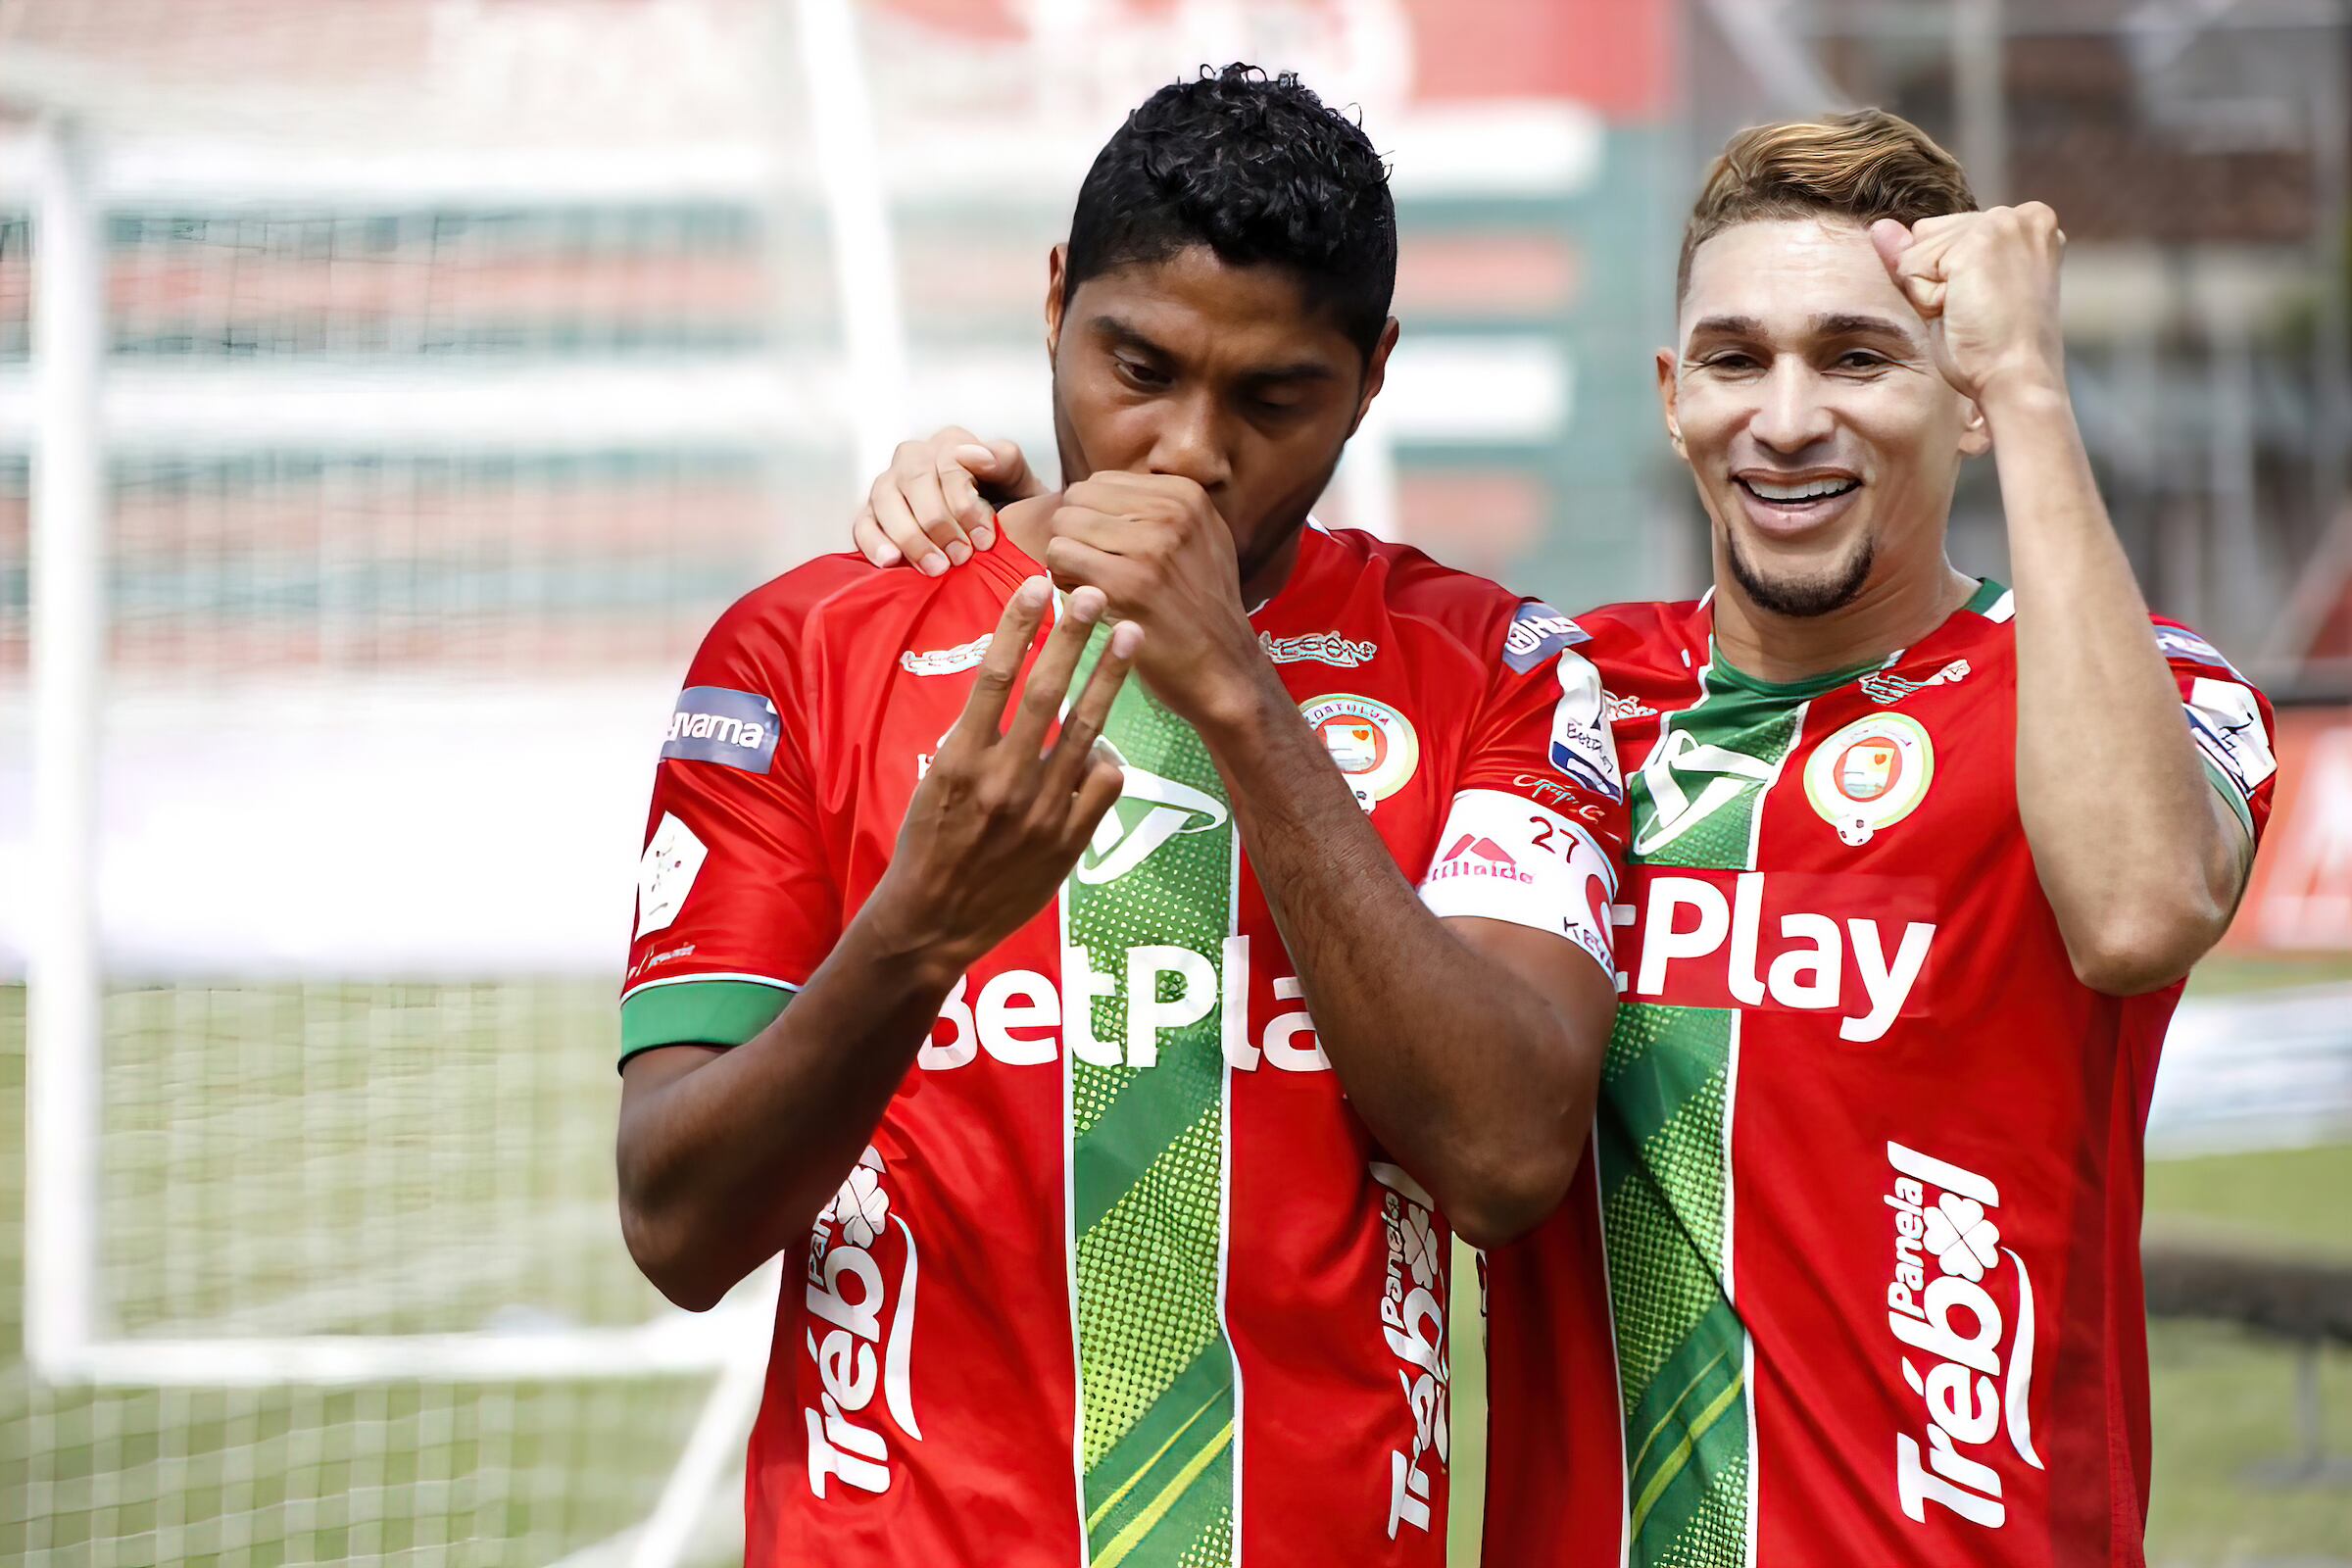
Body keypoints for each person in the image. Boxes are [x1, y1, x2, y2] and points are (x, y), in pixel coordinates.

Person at [848, 109, 2278, 1567]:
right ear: (1672, 396)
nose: (1786, 417)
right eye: (1736, 360)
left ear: (1959, 397)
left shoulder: (2128, 694)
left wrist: (2033, 382)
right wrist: (1016, 536)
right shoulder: (1552, 696)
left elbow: (2138, 909)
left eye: (1858, 358)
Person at [614, 65, 1628, 1567]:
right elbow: (679, 1228)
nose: (1190, 454)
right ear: (1052, 308)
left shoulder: (1498, 669)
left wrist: (1239, 696)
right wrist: (917, 933)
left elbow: (1500, 1158)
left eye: (1276, 397)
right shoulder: (809, 651)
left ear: (1375, 373)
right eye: (1137, 369)